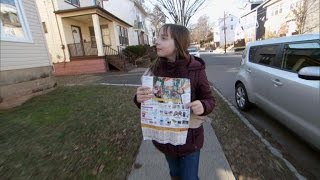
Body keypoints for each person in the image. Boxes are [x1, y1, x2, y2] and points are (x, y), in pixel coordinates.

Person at [133, 24, 215, 180]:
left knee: (190, 177)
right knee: (175, 174)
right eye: (157, 37)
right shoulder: (154, 69)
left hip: (190, 140)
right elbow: (146, 103)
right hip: (166, 140)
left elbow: (210, 100)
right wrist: (138, 99)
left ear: (178, 44)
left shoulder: (196, 70)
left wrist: (203, 105)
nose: (157, 42)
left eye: (163, 38)